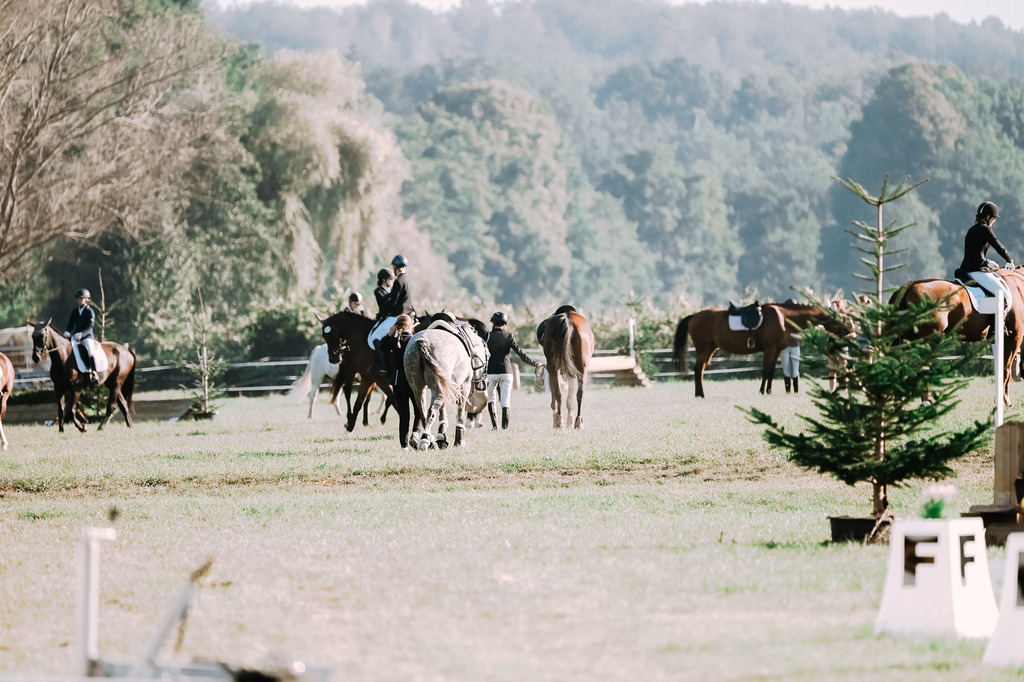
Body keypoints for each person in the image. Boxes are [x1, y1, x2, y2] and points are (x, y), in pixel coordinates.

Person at [485, 311, 543, 430]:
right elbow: (521, 354)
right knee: (505, 401)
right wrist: (535, 363)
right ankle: (505, 427)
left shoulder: (487, 336)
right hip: (506, 372)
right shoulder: (509, 336)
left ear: (493, 323)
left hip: (490, 373)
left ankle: (495, 426)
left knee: (491, 399)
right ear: (504, 324)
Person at [958, 201, 1014, 307]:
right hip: (977, 271)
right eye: (994, 218)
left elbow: (973, 254)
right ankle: (994, 324)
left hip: (965, 270)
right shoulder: (985, 229)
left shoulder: (971, 230)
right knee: (1005, 297)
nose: (994, 221)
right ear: (988, 217)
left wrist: (987, 262)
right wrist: (1009, 260)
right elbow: (999, 247)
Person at [369, 255, 415, 379]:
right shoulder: (408, 280)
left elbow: (392, 303)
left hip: (397, 316)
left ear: (395, 267)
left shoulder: (399, 281)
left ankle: (382, 366)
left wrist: (381, 314)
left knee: (375, 337)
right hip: (409, 314)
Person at [379, 314, 415, 448]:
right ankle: (416, 435)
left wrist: (390, 333)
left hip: (398, 382)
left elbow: (382, 347)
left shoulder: (394, 341)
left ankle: (404, 446)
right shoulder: (415, 340)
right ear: (410, 325)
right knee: (419, 412)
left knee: (404, 415)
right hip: (413, 382)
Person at [64, 288, 98, 384]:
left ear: (87, 299)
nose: (79, 300)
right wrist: (67, 331)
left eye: (81, 298)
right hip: (76, 336)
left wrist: (82, 334)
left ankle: (94, 372)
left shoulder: (89, 311)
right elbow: (71, 323)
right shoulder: (75, 311)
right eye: (78, 298)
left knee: (90, 351)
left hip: (87, 336)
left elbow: (90, 326)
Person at [779, 299, 801, 394]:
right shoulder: (781, 317)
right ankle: (788, 391)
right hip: (785, 346)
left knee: (795, 370)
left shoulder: (798, 318)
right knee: (786, 369)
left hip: (795, 345)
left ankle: (795, 391)